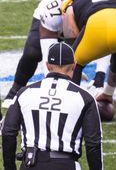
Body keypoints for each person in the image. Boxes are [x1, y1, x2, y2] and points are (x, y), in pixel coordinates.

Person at [2, 0, 116, 109]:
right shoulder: (51, 10)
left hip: (89, 23)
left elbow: (105, 43)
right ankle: (14, 91)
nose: (72, 5)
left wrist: (99, 79)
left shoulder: (101, 4)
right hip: (54, 28)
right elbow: (48, 53)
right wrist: (53, 88)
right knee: (32, 53)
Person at [2, 42, 103, 170]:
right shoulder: (85, 98)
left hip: (31, 164)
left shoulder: (24, 93)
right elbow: (93, 144)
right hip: (66, 165)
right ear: (74, 65)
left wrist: (9, 168)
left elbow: (8, 132)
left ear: (48, 66)